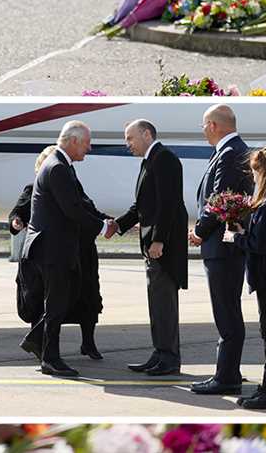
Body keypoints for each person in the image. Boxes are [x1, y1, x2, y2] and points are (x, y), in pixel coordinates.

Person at [19, 121, 103, 377]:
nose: (89, 148)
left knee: (61, 302)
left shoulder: (61, 165)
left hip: (54, 247)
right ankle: (50, 358)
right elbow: (73, 209)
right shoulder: (57, 167)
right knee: (56, 304)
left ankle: (40, 345)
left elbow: (79, 205)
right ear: (74, 140)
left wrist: (105, 222)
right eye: (87, 143)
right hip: (52, 249)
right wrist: (102, 228)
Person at [111, 119, 187, 376]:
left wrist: (158, 240)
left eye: (130, 138)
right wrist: (117, 226)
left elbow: (168, 204)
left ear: (146, 134)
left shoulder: (164, 159)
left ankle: (169, 357)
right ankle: (160, 352)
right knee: (157, 302)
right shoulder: (151, 160)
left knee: (164, 301)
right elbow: (142, 206)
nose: (127, 144)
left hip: (162, 247)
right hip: (154, 244)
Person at [189, 103, 253, 395]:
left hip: (221, 248)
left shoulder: (228, 155)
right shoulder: (237, 151)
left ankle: (226, 377)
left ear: (214, 125)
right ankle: (230, 371)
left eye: (204, 125)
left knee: (226, 313)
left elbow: (217, 202)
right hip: (228, 247)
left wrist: (199, 232)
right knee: (229, 310)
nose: (203, 131)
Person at [224, 146, 266, 411]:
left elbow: (260, 244)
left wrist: (235, 237)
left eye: (254, 170)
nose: (252, 175)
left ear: (263, 172)